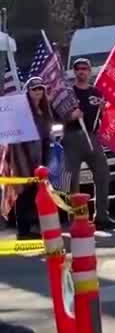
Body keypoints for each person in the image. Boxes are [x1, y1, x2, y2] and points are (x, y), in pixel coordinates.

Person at [57, 58, 115, 229]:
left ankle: (102, 216)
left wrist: (105, 110)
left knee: (103, 174)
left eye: (84, 68)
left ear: (89, 71)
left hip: (92, 137)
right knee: (71, 181)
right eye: (78, 69)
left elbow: (105, 118)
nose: (81, 71)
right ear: (74, 71)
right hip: (71, 137)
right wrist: (70, 116)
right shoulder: (68, 93)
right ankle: (76, 219)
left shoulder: (96, 93)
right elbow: (57, 116)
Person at [0, 78, 56, 239]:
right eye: (34, 89)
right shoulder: (22, 111)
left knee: (36, 191)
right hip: (22, 155)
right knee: (23, 192)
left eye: (40, 88)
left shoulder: (44, 109)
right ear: (28, 92)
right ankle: (23, 231)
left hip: (40, 153)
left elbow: (47, 132)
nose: (38, 91)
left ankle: (33, 226)